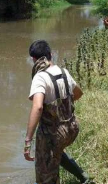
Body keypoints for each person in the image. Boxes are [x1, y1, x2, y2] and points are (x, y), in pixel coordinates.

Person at [24, 40, 92, 184]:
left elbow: (37, 107)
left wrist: (28, 140)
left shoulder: (40, 77)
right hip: (72, 129)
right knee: (56, 151)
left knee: (45, 176)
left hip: (54, 135)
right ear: (51, 55)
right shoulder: (64, 72)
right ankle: (83, 177)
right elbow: (78, 93)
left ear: (34, 60)